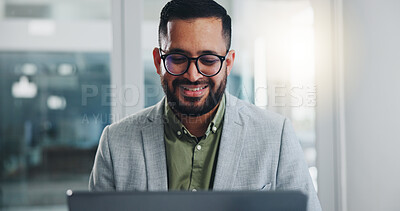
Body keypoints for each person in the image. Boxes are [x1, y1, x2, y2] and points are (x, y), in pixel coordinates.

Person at [89, 0, 321, 210]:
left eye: (208, 60)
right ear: (159, 62)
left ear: (228, 63)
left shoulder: (276, 136)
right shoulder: (115, 142)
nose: (192, 75)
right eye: (178, 59)